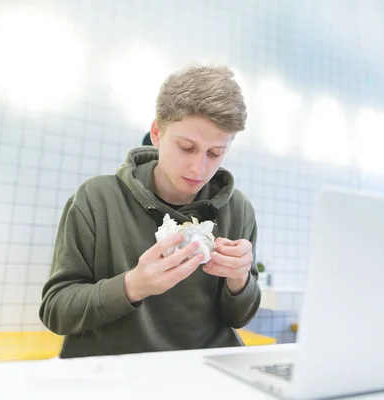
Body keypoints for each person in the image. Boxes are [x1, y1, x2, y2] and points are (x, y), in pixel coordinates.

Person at [39, 65, 262, 358]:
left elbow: (240, 318)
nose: (199, 169)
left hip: (205, 375)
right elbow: (56, 311)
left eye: (215, 153)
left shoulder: (238, 209)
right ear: (157, 133)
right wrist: (132, 286)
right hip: (115, 376)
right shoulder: (96, 199)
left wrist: (240, 281)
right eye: (186, 147)